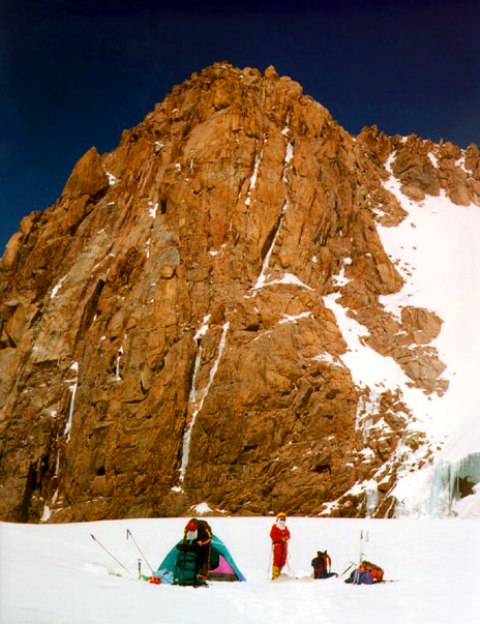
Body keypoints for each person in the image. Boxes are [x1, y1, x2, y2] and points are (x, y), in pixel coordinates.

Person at [269, 512, 290, 579]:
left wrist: (286, 537)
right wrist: (281, 538)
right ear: (278, 519)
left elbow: (288, 534)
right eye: (281, 518)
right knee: (277, 560)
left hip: (284, 545)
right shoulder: (275, 526)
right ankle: (275, 576)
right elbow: (272, 535)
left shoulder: (285, 528)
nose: (282, 520)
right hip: (277, 545)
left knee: (282, 560)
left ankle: (279, 573)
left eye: (284, 519)